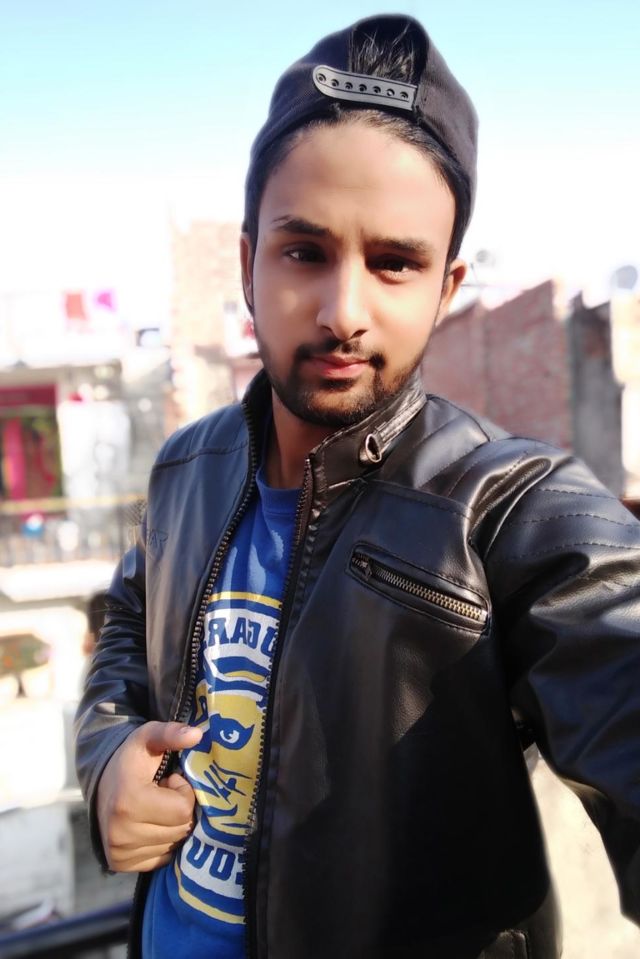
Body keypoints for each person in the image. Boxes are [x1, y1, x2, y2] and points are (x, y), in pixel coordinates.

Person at [75, 14, 640, 959]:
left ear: (446, 286)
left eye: (395, 263)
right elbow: (129, 623)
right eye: (304, 252)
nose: (344, 311)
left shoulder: (497, 507)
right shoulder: (186, 468)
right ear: (249, 264)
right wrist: (105, 761)